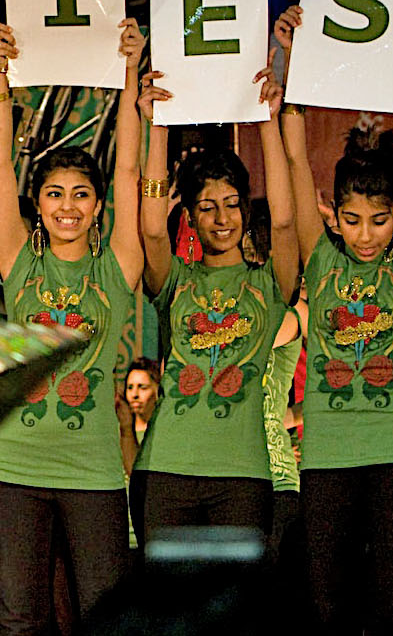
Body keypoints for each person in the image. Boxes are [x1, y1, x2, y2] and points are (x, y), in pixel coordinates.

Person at [278, 4, 393, 635]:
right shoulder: (321, 257)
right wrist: (288, 65)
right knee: (326, 609)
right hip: (326, 456)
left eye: (378, 221)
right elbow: (295, 165)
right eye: (352, 220)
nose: (365, 234)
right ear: (336, 215)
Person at [0, 18, 145, 633]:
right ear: (39, 204)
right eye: (54, 194)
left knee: (102, 615)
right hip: (15, 468)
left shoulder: (115, 267)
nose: (68, 206)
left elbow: (128, 171)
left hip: (94, 469)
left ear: (97, 206)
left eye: (81, 194)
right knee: (16, 618)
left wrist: (131, 75)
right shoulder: (18, 259)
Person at [130, 51, 301, 545]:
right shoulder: (175, 281)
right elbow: (150, 231)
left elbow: (287, 222)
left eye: (231, 205)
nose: (222, 219)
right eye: (207, 207)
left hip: (244, 479)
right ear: (191, 216)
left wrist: (269, 123)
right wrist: (156, 127)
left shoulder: (270, 285)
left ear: (245, 212)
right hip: (164, 472)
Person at [124, 357, 161, 439]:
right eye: (130, 387)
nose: (134, 394)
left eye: (142, 387)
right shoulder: (119, 433)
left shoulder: (166, 431)